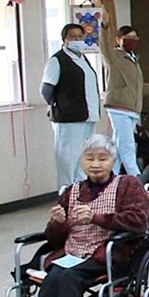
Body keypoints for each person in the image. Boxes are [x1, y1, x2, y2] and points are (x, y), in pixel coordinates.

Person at [0, 135, 149, 297]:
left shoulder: (128, 185)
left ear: (113, 160)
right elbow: (54, 238)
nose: (95, 164)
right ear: (82, 161)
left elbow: (138, 221)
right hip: (72, 253)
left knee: (68, 276)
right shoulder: (72, 191)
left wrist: (97, 218)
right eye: (89, 158)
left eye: (102, 158)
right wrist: (57, 223)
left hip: (107, 253)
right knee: (54, 275)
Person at [40, 22, 101, 191]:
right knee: (68, 161)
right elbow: (46, 90)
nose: (77, 40)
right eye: (73, 37)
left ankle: (80, 195)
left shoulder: (82, 58)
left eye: (80, 37)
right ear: (64, 40)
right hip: (68, 119)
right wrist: (57, 106)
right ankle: (65, 196)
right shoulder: (57, 60)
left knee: (83, 160)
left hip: (87, 116)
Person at [101, 24, 149, 177]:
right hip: (119, 107)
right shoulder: (114, 56)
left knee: (118, 148)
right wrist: (104, 27)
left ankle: (110, 180)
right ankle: (138, 182)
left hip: (132, 109)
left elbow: (136, 87)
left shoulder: (133, 60)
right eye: (128, 38)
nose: (133, 40)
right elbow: (104, 46)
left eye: (135, 38)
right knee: (128, 148)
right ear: (118, 39)